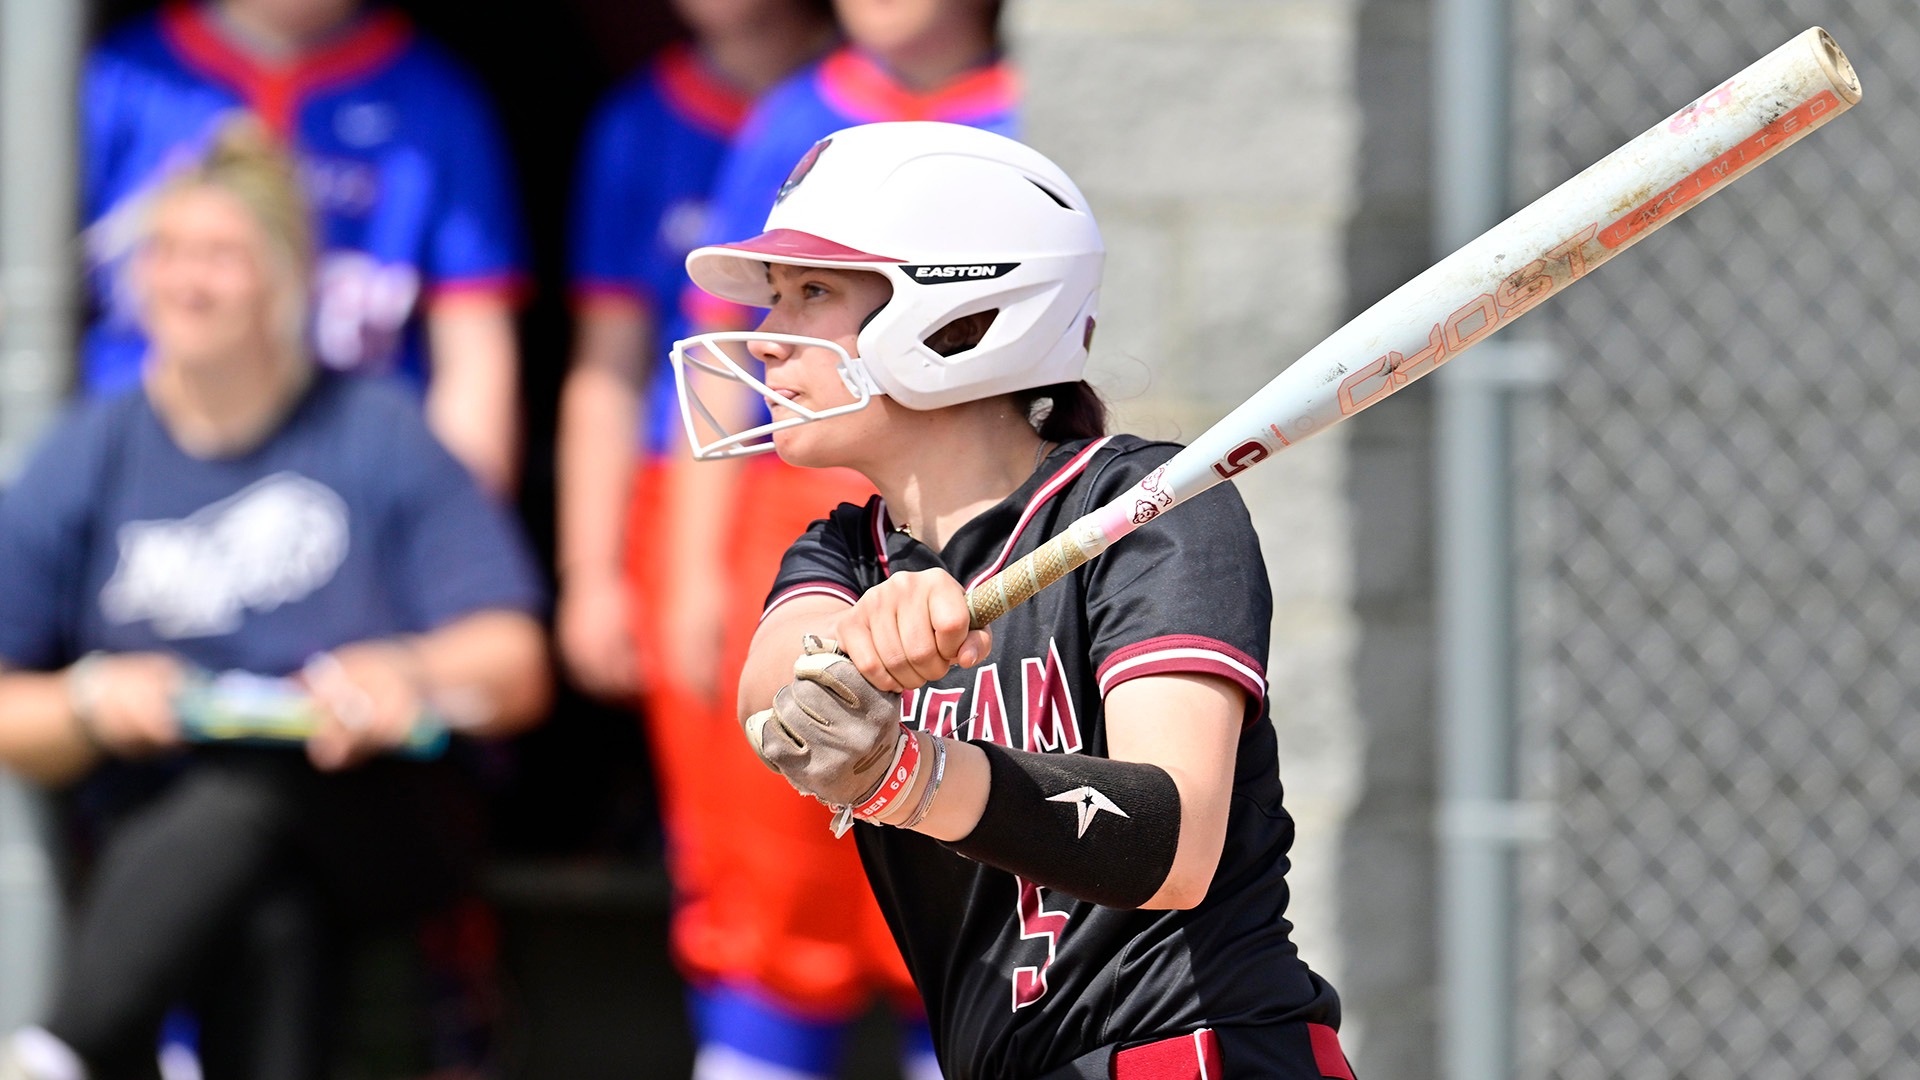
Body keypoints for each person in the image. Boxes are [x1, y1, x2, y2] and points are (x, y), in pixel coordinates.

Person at [669, 121, 1358, 1078]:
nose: (764, 339)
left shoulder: (1143, 509)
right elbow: (775, 695)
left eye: (812, 294)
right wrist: (850, 655)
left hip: (1195, 1053)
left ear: (957, 317)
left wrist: (903, 773)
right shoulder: (844, 552)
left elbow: (1173, 843)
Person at [0, 119, 549, 1080]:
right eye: (168, 252)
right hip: (168, 846)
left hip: (371, 815)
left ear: (288, 279)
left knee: (266, 768)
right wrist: (91, 701)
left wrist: (405, 673)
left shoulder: (377, 432)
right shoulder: (91, 451)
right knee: (268, 908)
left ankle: (65, 1050)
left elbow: (513, 664)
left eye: (221, 256)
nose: (188, 282)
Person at [82, 0, 527, 495]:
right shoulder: (116, 80)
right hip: (137, 485)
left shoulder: (436, 101)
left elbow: (473, 364)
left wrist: (449, 525)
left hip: (355, 494)